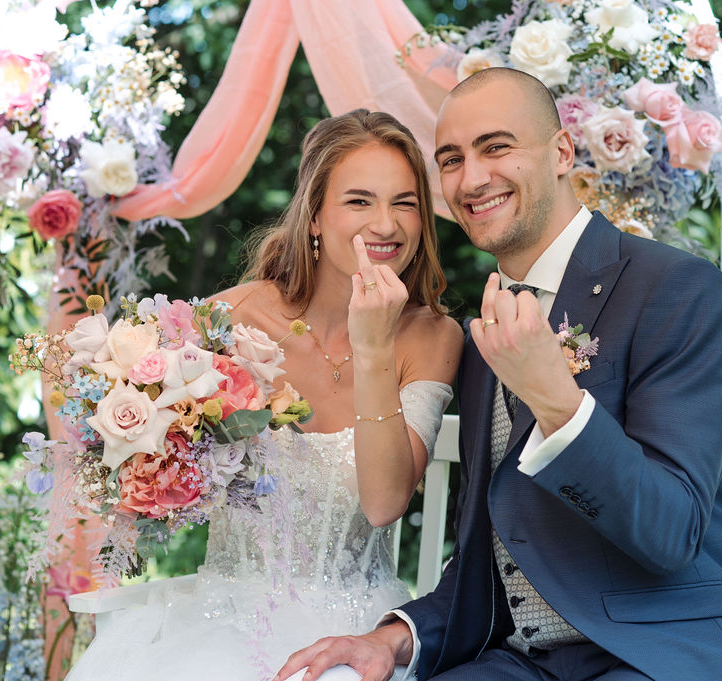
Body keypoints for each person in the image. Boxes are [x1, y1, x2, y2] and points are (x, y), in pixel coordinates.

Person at [275, 68, 722, 681]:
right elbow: (487, 568)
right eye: (451, 160)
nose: (473, 178)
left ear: (562, 151)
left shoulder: (677, 291)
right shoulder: (482, 330)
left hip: (668, 654)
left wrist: (557, 401)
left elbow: (671, 532)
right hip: (527, 663)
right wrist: (393, 638)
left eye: (497, 147)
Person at [64, 109, 463, 681]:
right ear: (316, 216)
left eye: (405, 203)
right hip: (220, 617)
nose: (386, 225)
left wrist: (373, 344)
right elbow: (132, 465)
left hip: (356, 631)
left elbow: (383, 503)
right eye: (359, 201)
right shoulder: (229, 319)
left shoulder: (431, 337)